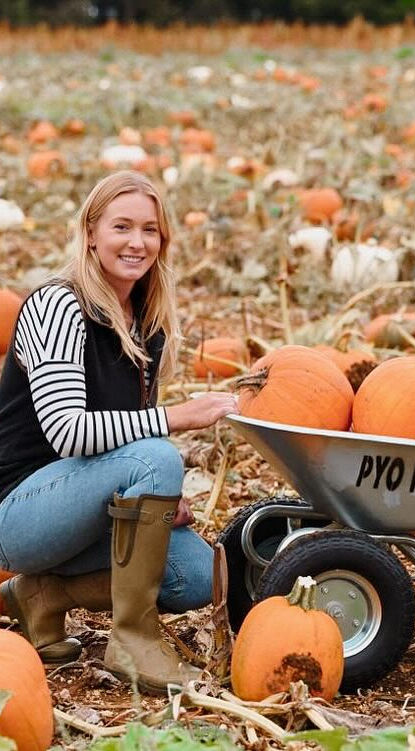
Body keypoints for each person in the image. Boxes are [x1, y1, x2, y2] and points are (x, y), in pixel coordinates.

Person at [0, 171, 239, 693]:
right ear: (90, 233)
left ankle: (42, 597)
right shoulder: (57, 305)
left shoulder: (144, 321)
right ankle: (132, 642)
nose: (137, 242)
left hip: (85, 508)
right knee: (155, 455)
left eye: (150, 230)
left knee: (198, 577)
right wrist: (177, 421)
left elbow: (127, 445)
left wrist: (155, 496)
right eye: (122, 227)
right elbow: (69, 433)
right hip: (19, 513)